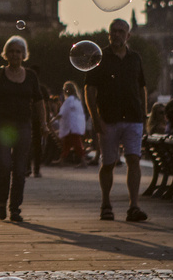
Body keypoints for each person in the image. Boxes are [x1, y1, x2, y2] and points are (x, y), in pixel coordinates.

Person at [84, 17, 149, 222]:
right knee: (108, 163)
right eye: (114, 31)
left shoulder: (135, 58)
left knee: (133, 160)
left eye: (121, 31)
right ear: (109, 34)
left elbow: (141, 88)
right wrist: (95, 117)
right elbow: (90, 90)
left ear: (128, 35)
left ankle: (134, 206)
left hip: (133, 117)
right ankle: (105, 203)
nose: (117, 34)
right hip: (108, 118)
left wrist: (144, 116)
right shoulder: (99, 56)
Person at [0, 35, 47, 222]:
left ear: (24, 55)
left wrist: (44, 123)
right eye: (12, 51)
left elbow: (39, 101)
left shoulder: (31, 76)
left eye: (18, 51)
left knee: (19, 169)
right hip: (1, 124)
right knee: (6, 164)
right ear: (6, 54)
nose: (15, 54)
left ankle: (15, 207)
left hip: (23, 125)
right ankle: (2, 202)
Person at [58, 82, 88, 166]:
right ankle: (62, 160)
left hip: (71, 126)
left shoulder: (69, 100)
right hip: (75, 125)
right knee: (67, 144)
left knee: (76, 144)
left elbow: (62, 112)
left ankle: (83, 161)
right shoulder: (77, 100)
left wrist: (53, 120)